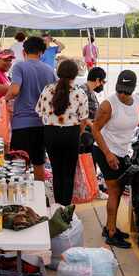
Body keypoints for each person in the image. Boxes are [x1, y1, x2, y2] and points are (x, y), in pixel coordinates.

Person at [91, 70, 139, 248]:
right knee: (114, 190)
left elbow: (136, 119)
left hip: (122, 151)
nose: (122, 94)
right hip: (105, 150)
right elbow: (95, 129)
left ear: (133, 89)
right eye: (120, 90)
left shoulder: (136, 101)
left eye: (126, 91)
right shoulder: (108, 104)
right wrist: (108, 154)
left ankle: (110, 226)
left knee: (120, 187)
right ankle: (111, 233)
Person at [36, 60, 90, 206]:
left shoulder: (47, 89)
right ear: (75, 74)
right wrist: (76, 134)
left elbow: (40, 112)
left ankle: (58, 206)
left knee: (56, 170)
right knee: (69, 172)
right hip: (71, 133)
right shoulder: (80, 92)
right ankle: (66, 205)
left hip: (51, 133)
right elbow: (84, 119)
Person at [5, 36, 57, 180]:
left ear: (24, 52)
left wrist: (5, 99)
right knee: (38, 163)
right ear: (41, 53)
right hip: (42, 125)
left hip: (21, 124)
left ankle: (20, 199)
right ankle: (40, 196)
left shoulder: (19, 67)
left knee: (18, 165)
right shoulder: (49, 70)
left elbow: (14, 90)